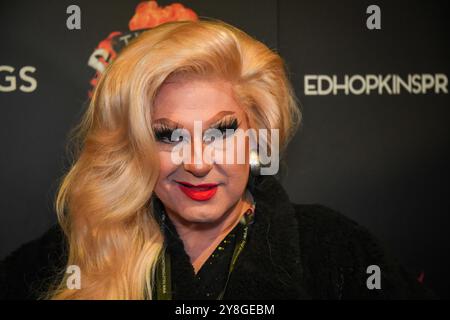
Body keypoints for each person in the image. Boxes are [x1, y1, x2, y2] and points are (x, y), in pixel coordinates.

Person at [0, 19, 434, 300]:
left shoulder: (335, 249)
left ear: (256, 135)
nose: (197, 162)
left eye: (221, 132)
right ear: (133, 146)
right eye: (167, 135)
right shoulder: (75, 250)